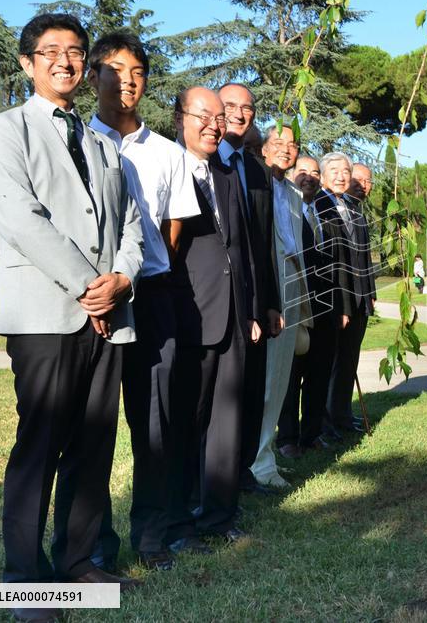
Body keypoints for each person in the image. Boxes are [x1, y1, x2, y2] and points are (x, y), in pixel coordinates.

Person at [0, 13, 145, 620]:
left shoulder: (103, 142)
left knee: (95, 445)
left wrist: (121, 278)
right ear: (27, 63)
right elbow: (20, 219)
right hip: (47, 315)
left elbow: (129, 223)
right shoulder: (6, 130)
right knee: (40, 445)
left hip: (109, 315)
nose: (65, 62)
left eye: (75, 52)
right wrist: (86, 286)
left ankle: (78, 563)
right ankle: (25, 582)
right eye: (50, 52)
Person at [87, 31, 201, 573]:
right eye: (114, 69)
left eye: (136, 71)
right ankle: (93, 547)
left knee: (154, 425)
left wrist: (136, 275)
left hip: (152, 298)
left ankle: (151, 538)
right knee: (91, 426)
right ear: (93, 76)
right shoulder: (75, 141)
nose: (126, 80)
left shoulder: (168, 154)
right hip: (89, 303)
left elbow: (173, 230)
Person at [166, 87, 260, 551]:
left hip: (235, 316)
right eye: (204, 115)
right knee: (187, 419)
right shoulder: (166, 167)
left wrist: (253, 309)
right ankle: (180, 520)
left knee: (227, 419)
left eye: (220, 117)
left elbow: (241, 250)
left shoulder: (226, 174)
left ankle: (221, 516)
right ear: (181, 118)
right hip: (188, 314)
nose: (215, 124)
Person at [217, 83, 281, 496]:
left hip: (258, 303)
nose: (240, 114)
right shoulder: (202, 163)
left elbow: (264, 244)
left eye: (248, 108)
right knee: (222, 400)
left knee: (252, 395)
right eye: (230, 107)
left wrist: (271, 304)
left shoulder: (257, 171)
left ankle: (243, 475)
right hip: (218, 302)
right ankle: (215, 483)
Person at [250, 126, 310, 489]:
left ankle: (264, 458)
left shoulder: (292, 192)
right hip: (264, 285)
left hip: (290, 283)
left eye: (293, 145)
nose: (286, 150)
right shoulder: (254, 182)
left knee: (280, 377)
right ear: (264, 148)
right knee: (265, 379)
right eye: (279, 143)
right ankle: (256, 464)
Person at [276, 154, 342, 456]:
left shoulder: (325, 213)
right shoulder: (285, 211)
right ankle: (287, 438)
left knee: (318, 373)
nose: (309, 177)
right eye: (302, 171)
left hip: (326, 307)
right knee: (291, 375)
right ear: (291, 175)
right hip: (296, 304)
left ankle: (311, 433)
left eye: (315, 173)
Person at [316, 152, 366, 435]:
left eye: (345, 170)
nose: (340, 175)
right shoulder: (318, 206)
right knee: (328, 363)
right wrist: (341, 305)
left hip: (358, 299)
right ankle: (324, 424)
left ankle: (342, 417)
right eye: (334, 170)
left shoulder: (352, 206)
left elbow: (360, 258)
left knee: (348, 361)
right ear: (323, 176)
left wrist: (366, 295)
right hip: (334, 300)